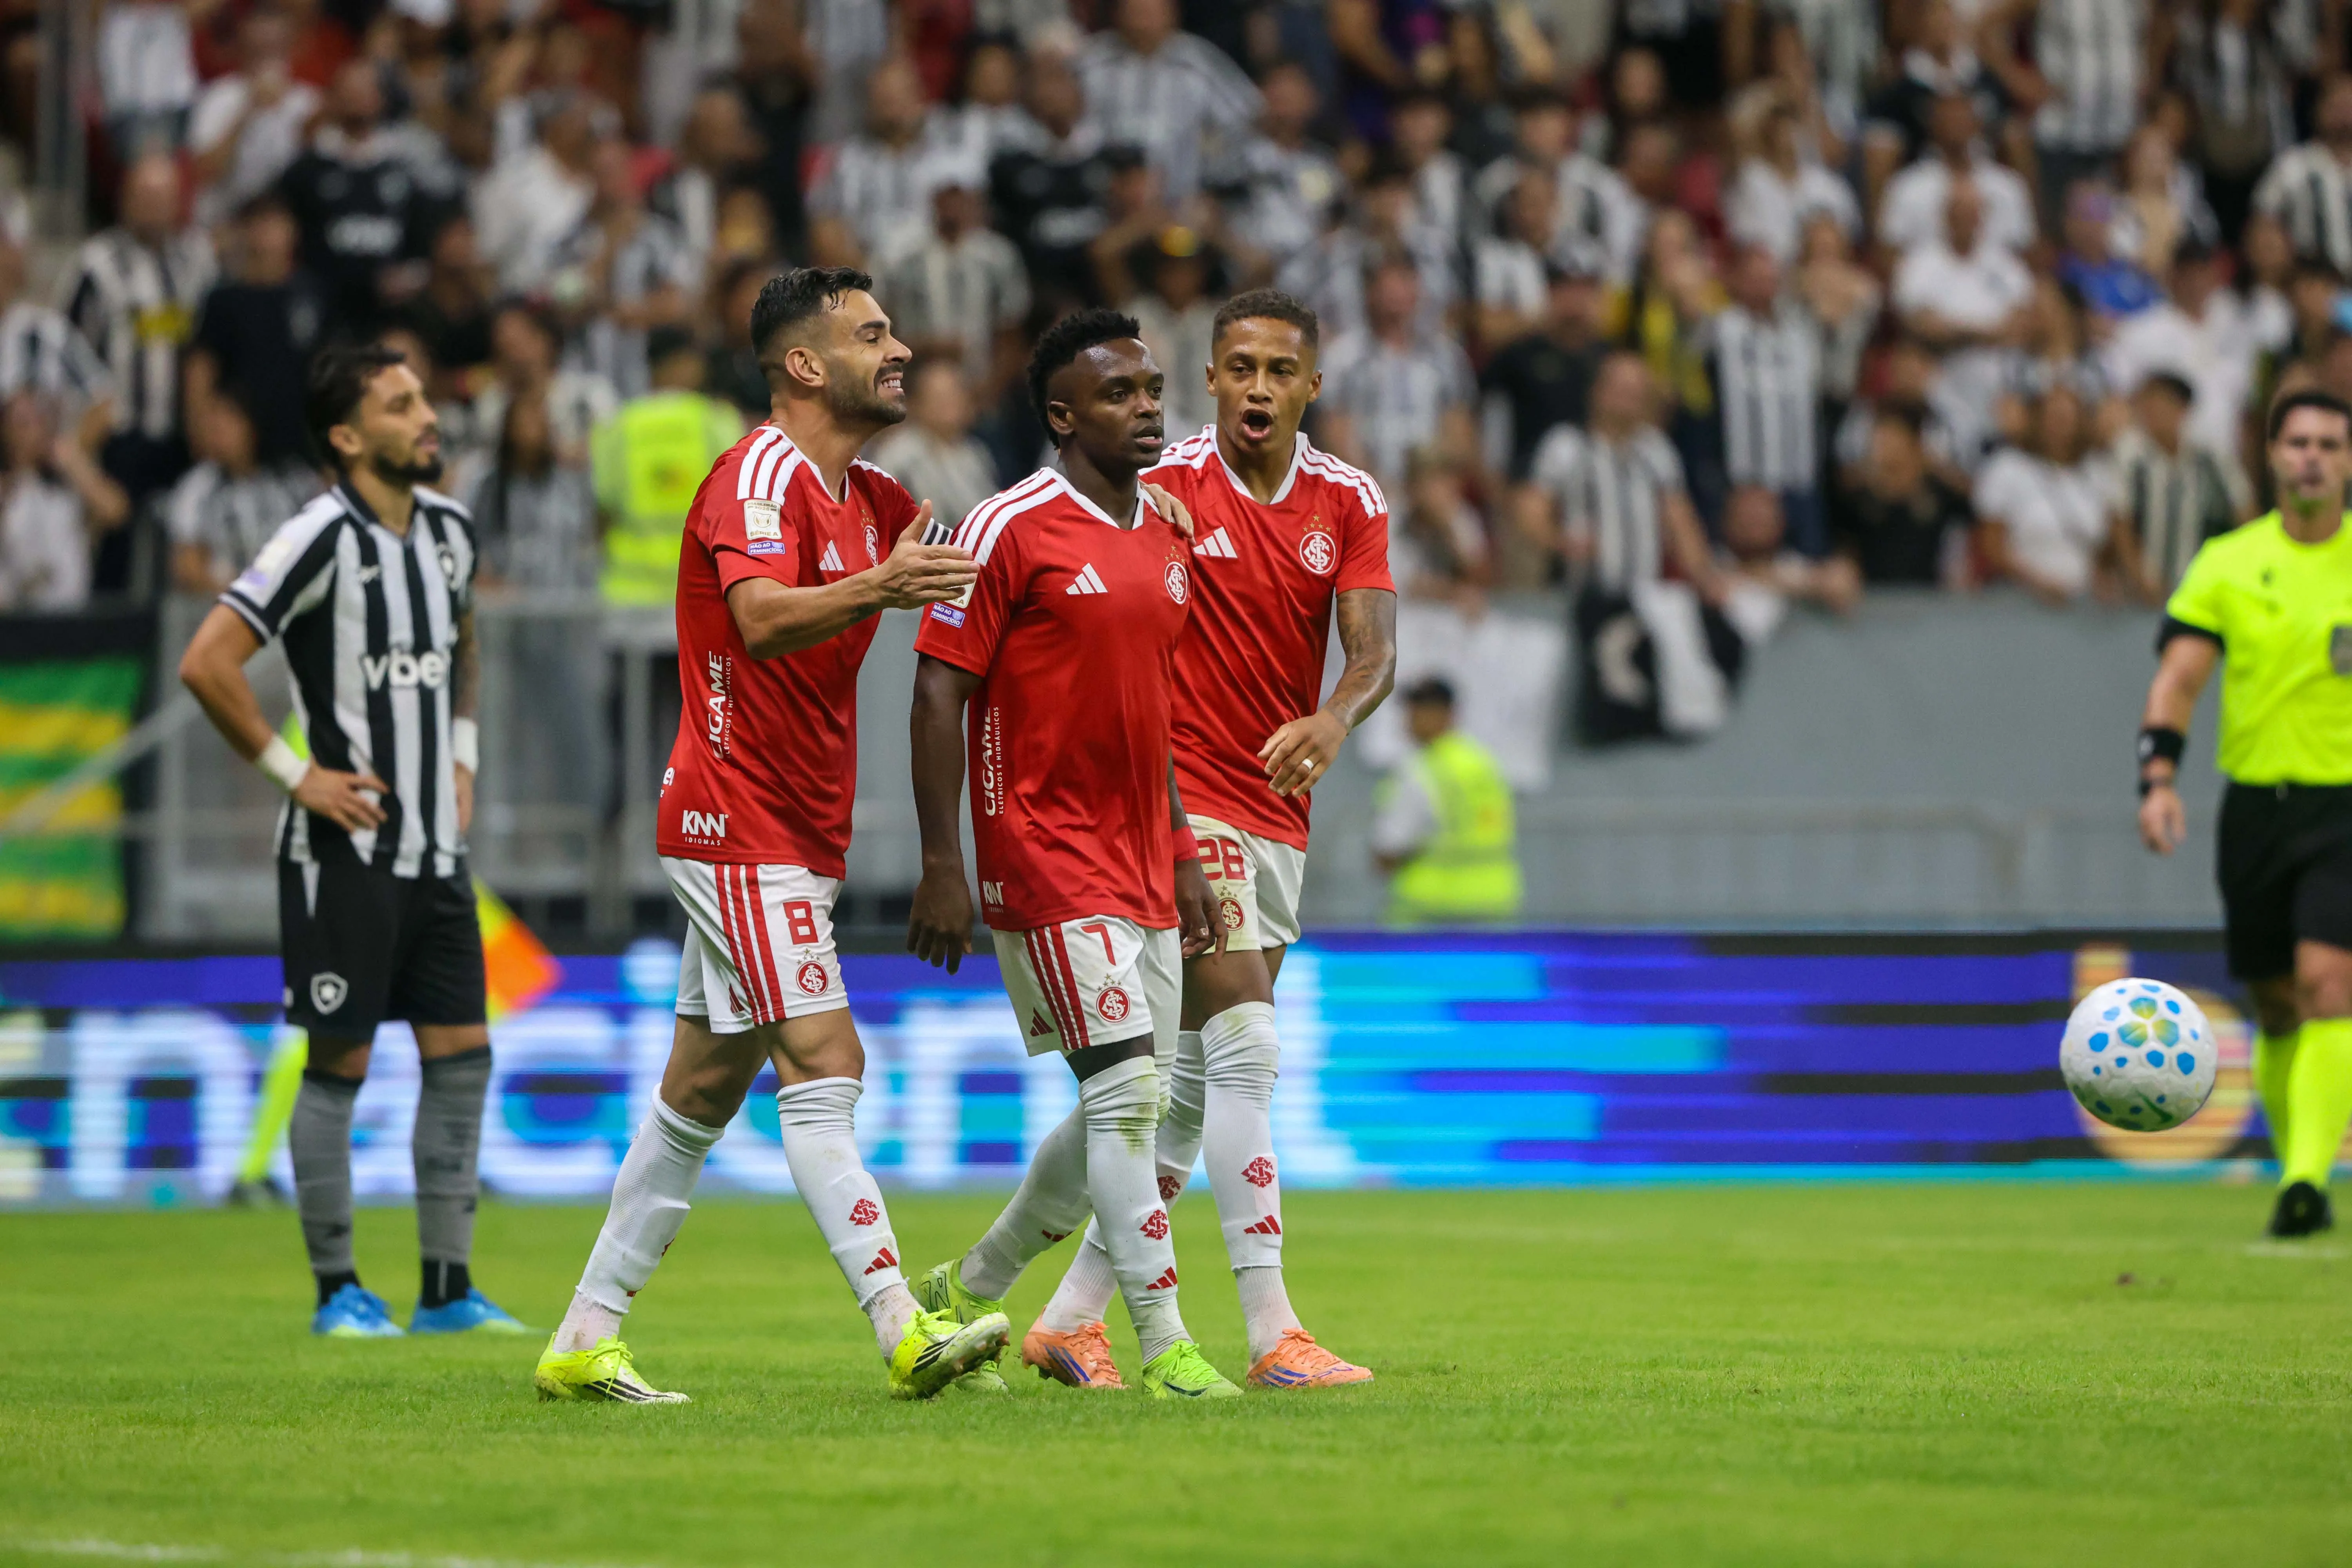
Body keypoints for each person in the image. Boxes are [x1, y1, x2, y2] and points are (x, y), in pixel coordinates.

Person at [534, 267, 1005, 1405]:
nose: (901, 351)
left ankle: (584, 1337)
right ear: (805, 365)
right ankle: (901, 1325)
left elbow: (986, 553)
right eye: (873, 334)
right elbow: (755, 618)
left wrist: (1153, 517)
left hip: (800, 825)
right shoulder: (758, 475)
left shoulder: (877, 501)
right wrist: (881, 587)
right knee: (827, 1059)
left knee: (701, 1084)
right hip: (731, 815)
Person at [1009, 289, 1395, 1392]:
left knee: (1177, 1093)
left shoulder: (1349, 499)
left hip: (1280, 809)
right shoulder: (1161, 482)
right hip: (1176, 805)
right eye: (1238, 367)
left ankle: (1064, 1316)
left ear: (1310, 387)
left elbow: (1373, 652)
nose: (1258, 387)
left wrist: (1333, 717)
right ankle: (1273, 1331)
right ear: (1213, 379)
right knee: (1248, 1054)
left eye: (1280, 369)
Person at [903, 309, 1236, 1400]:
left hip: (1144, 852)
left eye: (1150, 388)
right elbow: (940, 688)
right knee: (1131, 1094)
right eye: (1119, 394)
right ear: (1061, 415)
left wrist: (1183, 845)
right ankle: (1164, 1342)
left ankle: (967, 1284)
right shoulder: (1007, 526)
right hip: (1040, 847)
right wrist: (945, 865)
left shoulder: (1165, 529)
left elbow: (1158, 709)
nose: (1148, 407)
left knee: (1118, 1099)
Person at [174, 343, 518, 1339]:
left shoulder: (450, 531)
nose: (427, 415)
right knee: (340, 1062)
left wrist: (459, 755)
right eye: (401, 403)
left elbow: (466, 643)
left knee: (463, 1059)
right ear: (346, 436)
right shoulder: (318, 537)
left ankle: (448, 1291)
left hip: (434, 857)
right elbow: (209, 661)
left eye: (423, 397)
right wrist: (300, 777)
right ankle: (338, 1293)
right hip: (345, 855)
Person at [2137, 388, 2352, 1239]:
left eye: (2330, 444)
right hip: (2256, 808)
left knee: (2328, 979)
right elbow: (2180, 680)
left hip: (2346, 803)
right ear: (2271, 454)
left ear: (2349, 460)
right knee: (2274, 1002)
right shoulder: (2227, 561)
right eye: (2298, 441)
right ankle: (2294, 1155)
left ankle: (2305, 1178)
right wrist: (2157, 779)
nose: (2313, 457)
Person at [590, 326, 745, 609]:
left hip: (628, 593)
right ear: (681, 363)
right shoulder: (717, 421)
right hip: (703, 588)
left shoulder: (618, 426)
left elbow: (602, 507)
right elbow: (738, 503)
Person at [1370, 677, 1521, 926]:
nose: (1409, 721)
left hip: (1431, 910)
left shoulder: (1420, 769)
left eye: (1418, 711)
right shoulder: (1482, 762)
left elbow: (1390, 848)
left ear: (1445, 714)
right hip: (1495, 902)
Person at [164, 383, 320, 596]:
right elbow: (187, 565)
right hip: (223, 605)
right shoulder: (198, 487)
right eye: (213, 424)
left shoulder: (294, 481)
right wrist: (242, 592)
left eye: (228, 422)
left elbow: (320, 544)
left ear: (252, 424)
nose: (218, 432)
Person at [2110, 371, 2254, 598]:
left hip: (2203, 587)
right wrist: (2140, 578)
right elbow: (2120, 521)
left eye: (2161, 405)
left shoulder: (2211, 459)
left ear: (2183, 409)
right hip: (2144, 593)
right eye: (2147, 406)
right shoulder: (2131, 458)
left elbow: (2245, 513)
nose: (2153, 413)